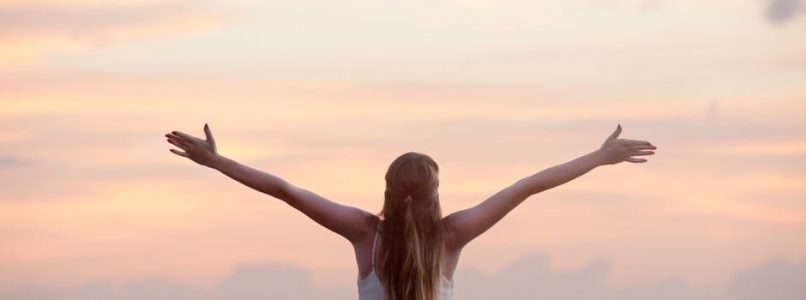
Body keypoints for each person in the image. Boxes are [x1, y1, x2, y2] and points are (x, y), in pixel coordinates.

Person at [164, 123, 656, 300]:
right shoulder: (454, 234)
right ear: (436, 193)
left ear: (387, 188)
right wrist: (597, 157)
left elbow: (284, 189)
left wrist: (215, 161)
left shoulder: (364, 233)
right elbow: (528, 186)